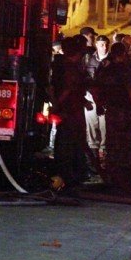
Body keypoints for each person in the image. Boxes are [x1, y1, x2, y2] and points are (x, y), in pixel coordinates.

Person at [94, 43, 131, 182]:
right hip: (125, 110)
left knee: (111, 140)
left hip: (111, 110)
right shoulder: (125, 70)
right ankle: (123, 173)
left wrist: (99, 105)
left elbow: (97, 88)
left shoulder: (105, 69)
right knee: (125, 141)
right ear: (123, 54)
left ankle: (112, 170)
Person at [51, 37, 90, 186]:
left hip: (69, 109)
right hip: (71, 111)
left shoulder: (60, 65)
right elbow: (69, 89)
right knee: (70, 141)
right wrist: (58, 104)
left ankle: (69, 172)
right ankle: (70, 174)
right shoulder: (70, 69)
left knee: (66, 140)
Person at [82, 35, 110, 163]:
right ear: (97, 45)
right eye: (102, 44)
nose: (104, 47)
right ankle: (93, 153)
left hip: (105, 97)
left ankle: (103, 151)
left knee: (104, 126)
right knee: (92, 125)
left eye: (106, 44)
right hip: (91, 96)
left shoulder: (111, 61)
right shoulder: (89, 60)